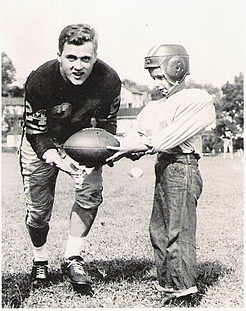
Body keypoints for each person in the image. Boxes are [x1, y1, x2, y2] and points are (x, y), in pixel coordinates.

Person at [107, 44, 216, 300]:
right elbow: (140, 136)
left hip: (182, 166)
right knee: (159, 229)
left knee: (178, 230)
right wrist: (112, 147)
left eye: (159, 76)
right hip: (164, 165)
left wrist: (137, 146)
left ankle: (184, 291)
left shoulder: (197, 99)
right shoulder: (155, 107)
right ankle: (168, 284)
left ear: (176, 69)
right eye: (153, 78)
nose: (156, 83)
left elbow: (165, 138)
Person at [19, 23, 121, 293]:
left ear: (95, 58)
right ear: (59, 56)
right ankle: (40, 259)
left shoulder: (109, 79)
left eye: (86, 58)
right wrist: (56, 158)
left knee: (90, 193)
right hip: (43, 140)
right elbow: (35, 131)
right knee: (38, 212)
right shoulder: (40, 79)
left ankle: (73, 257)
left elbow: (107, 125)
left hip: (84, 140)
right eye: (71, 58)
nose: (79, 66)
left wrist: (102, 152)